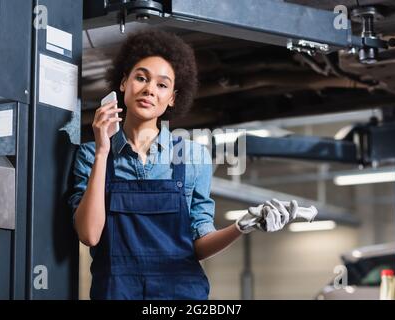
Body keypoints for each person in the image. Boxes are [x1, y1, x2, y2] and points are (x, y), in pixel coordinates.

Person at [69, 29, 298, 300]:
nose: (149, 89)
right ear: (123, 83)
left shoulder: (193, 158)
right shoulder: (91, 154)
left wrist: (241, 226)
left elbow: (199, 243)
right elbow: (89, 235)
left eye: (162, 85)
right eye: (141, 78)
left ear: (173, 98)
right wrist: (103, 151)